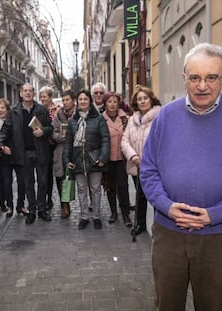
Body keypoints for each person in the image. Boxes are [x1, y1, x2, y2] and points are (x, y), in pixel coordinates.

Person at [140, 43, 222, 311]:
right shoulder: (165, 117)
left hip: (219, 236)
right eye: (194, 77)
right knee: (167, 304)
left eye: (211, 77)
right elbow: (148, 171)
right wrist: (167, 206)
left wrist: (215, 214)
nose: (202, 85)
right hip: (169, 233)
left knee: (215, 305)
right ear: (184, 78)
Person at [0, 83, 53, 225]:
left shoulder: (41, 109)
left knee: (43, 182)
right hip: (24, 153)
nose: (27, 93)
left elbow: (50, 127)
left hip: (40, 151)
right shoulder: (14, 111)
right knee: (29, 184)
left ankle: (42, 209)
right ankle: (32, 211)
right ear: (21, 93)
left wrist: (43, 131)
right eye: (25, 91)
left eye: (30, 91)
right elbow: (5, 129)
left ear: (33, 93)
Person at [63, 89, 110, 230]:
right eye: (80, 99)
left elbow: (105, 139)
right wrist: (66, 159)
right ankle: (84, 216)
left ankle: (96, 216)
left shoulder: (99, 119)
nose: (83, 101)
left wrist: (103, 157)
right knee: (81, 189)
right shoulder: (73, 121)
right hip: (78, 160)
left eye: (85, 99)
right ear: (78, 102)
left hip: (94, 159)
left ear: (90, 101)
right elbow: (68, 143)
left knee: (95, 189)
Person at [121, 85, 161, 236]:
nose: (143, 101)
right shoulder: (132, 120)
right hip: (136, 165)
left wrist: (148, 159)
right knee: (140, 196)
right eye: (139, 99)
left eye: (145, 98)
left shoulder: (160, 117)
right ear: (135, 102)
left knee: (157, 196)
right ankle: (140, 224)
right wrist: (133, 156)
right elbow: (124, 141)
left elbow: (163, 142)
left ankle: (159, 228)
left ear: (151, 100)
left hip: (154, 167)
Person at [0, 98, 27, 217]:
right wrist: (2, 148)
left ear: (7, 109)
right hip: (4, 157)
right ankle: (10, 206)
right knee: (7, 182)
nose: (0, 110)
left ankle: (20, 205)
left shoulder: (15, 118)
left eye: (3, 108)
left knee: (22, 182)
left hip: (17, 155)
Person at [101, 91, 132, 227]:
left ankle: (125, 214)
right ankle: (113, 212)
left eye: (114, 101)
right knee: (110, 187)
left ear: (118, 103)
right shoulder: (101, 119)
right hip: (107, 159)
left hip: (122, 159)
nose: (112, 104)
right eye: (109, 101)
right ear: (105, 104)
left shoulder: (126, 119)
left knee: (123, 186)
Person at [51, 89, 76, 218]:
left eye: (68, 100)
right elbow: (53, 131)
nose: (65, 103)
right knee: (62, 179)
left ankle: (87, 207)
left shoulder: (78, 114)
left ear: (73, 101)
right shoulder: (58, 115)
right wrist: (60, 137)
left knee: (80, 180)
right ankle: (64, 206)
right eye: (63, 100)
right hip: (61, 150)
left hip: (76, 150)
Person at [39, 86, 59, 210]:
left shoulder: (57, 110)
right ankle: (48, 198)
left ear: (50, 97)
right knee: (45, 174)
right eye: (41, 97)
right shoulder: (39, 110)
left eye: (44, 96)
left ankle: (62, 202)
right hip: (44, 145)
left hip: (56, 145)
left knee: (57, 173)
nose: (42, 99)